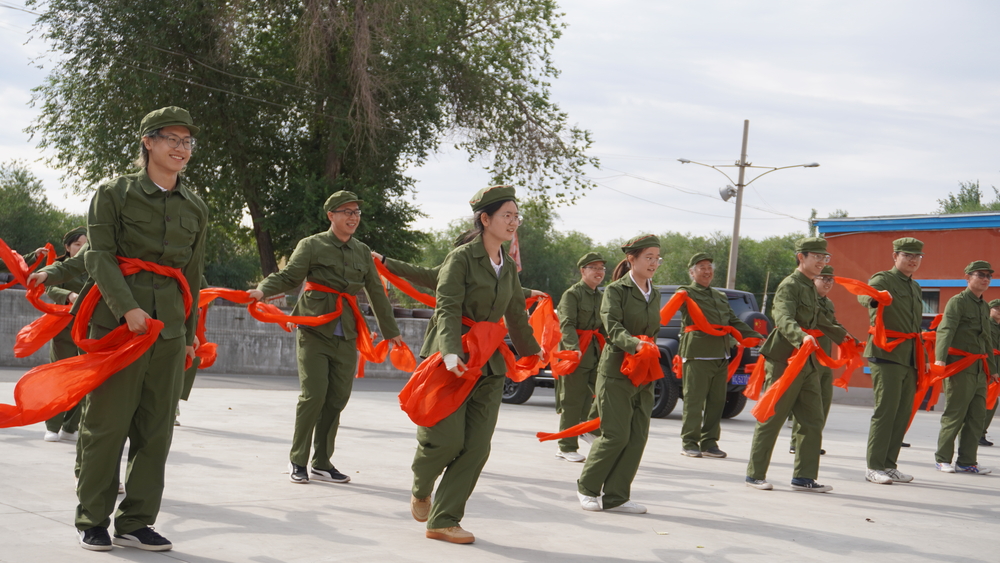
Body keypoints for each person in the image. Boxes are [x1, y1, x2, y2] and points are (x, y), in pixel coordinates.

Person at [73, 106, 208, 551]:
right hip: (118, 330)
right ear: (148, 142)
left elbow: (192, 274)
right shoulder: (114, 193)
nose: (181, 148)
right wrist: (127, 308)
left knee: (156, 431)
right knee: (107, 425)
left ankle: (135, 522)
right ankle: (92, 518)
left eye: (187, 141)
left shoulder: (195, 207)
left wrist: (189, 336)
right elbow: (99, 256)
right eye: (172, 139)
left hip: (169, 333)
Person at [409, 185, 541, 544]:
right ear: (485, 219)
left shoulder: (508, 265)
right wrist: (450, 350)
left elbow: (516, 313)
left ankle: (444, 519)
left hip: (490, 361)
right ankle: (422, 485)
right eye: (507, 215)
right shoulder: (461, 258)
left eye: (516, 216)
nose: (514, 222)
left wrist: (534, 351)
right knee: (446, 440)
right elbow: (447, 306)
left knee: (477, 446)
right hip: (453, 357)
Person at [248, 190, 402, 485]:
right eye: (347, 212)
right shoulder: (312, 245)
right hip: (314, 331)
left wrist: (391, 331)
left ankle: (321, 462)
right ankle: (298, 459)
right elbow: (289, 276)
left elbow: (376, 291)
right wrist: (262, 289)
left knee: (337, 399)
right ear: (331, 215)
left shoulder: (362, 251)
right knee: (314, 396)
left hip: (347, 333)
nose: (353, 217)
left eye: (356, 212)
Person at [745, 237, 846, 493]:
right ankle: (755, 474)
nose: (822, 262)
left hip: (808, 362)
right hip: (785, 361)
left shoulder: (810, 286)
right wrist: (801, 336)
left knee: (813, 420)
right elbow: (782, 317)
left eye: (825, 258)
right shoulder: (789, 285)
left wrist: (845, 338)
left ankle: (804, 477)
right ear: (801, 257)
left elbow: (820, 320)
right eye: (817, 257)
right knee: (772, 416)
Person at [576, 234, 661, 514]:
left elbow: (654, 329)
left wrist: (648, 348)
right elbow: (612, 326)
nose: (653, 263)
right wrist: (635, 344)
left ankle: (617, 497)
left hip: (644, 372)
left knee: (637, 436)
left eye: (657, 258)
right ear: (631, 259)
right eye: (648, 257)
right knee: (615, 435)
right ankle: (587, 488)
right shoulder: (615, 291)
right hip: (616, 371)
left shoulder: (655, 292)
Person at [678, 253, 762, 459]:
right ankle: (689, 442)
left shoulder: (720, 296)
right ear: (692, 273)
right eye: (702, 267)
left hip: (721, 354)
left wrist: (756, 336)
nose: (707, 271)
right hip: (697, 354)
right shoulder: (686, 293)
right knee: (694, 401)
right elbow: (670, 308)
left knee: (717, 402)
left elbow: (733, 321)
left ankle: (709, 443)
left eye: (709, 267)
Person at [858, 238, 924, 484]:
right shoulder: (883, 279)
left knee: (902, 413)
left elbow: (915, 326)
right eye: (907, 255)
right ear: (895, 256)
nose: (913, 260)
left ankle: (889, 464)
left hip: (909, 356)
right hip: (886, 352)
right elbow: (864, 295)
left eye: (917, 256)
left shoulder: (915, 287)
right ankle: (874, 466)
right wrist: (875, 299)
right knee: (886, 411)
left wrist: (923, 358)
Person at [933, 261, 999, 474]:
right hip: (960, 366)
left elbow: (986, 339)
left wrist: (993, 369)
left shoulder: (983, 306)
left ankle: (967, 461)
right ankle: (942, 458)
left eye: (988, 276)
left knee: (977, 416)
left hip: (980, 369)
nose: (985, 279)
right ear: (968, 277)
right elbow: (946, 330)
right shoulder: (957, 302)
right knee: (955, 413)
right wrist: (940, 359)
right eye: (980, 275)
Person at [553, 252, 607, 462]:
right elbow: (566, 323)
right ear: (583, 271)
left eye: (601, 268)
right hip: (576, 353)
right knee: (572, 400)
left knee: (600, 396)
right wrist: (573, 349)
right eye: (594, 268)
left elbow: (604, 327)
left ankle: (588, 429)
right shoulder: (572, 294)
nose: (599, 272)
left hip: (595, 352)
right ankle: (566, 446)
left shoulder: (600, 297)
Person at [788, 265, 844, 456]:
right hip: (809, 356)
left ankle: (812, 440)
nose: (828, 283)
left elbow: (834, 325)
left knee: (823, 401)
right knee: (806, 401)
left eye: (831, 279)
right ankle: (797, 442)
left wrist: (849, 340)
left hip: (825, 358)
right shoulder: (809, 300)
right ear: (814, 280)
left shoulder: (828, 303)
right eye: (824, 278)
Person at [40, 227, 89, 442]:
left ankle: (70, 427)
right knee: (60, 376)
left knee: (83, 379)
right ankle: (53, 426)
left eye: (85, 245)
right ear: (68, 247)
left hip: (88, 329)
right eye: (77, 244)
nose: (81, 248)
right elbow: (50, 288)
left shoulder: (94, 267)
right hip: (63, 328)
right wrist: (68, 294)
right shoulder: (60, 267)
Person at [981, 298, 1000, 446]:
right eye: (997, 309)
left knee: (992, 400)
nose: (999, 312)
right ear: (990, 310)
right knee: (986, 399)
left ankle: (980, 433)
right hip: (987, 366)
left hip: (997, 366)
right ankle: (977, 433)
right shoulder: (985, 323)